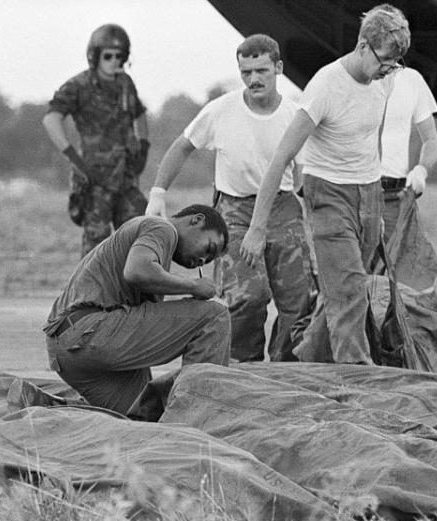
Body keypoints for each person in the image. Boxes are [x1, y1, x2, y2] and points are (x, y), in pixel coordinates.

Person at [241, 4, 409, 365]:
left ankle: (307, 360)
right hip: (329, 193)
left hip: (368, 194)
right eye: (384, 60)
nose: (388, 70)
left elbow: (372, 141)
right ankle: (357, 381)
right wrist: (256, 227)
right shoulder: (325, 86)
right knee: (349, 293)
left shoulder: (384, 80)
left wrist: (375, 206)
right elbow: (281, 158)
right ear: (363, 46)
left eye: (395, 64)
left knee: (346, 289)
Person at [145, 34, 315, 362]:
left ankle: (286, 370)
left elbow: (306, 174)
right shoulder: (221, 111)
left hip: (283, 209)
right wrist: (158, 193)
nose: (254, 79)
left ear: (278, 68)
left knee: (299, 301)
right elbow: (183, 145)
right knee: (247, 298)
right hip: (235, 211)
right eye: (246, 72)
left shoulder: (294, 116)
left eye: (262, 70)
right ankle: (242, 368)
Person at [44, 205, 231, 415]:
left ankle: (44, 408)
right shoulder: (162, 228)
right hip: (90, 331)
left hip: (66, 351)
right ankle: (198, 417)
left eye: (208, 260)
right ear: (196, 220)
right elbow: (136, 271)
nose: (203, 260)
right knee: (214, 315)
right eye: (209, 249)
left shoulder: (153, 245)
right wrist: (193, 286)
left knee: (145, 415)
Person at [43, 24, 150, 258]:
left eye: (120, 56)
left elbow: (139, 114)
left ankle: (137, 292)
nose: (114, 61)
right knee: (96, 246)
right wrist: (74, 158)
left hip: (126, 176)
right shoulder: (78, 85)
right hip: (95, 177)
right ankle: (91, 293)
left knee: (139, 237)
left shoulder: (125, 84)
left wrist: (143, 148)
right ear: (95, 56)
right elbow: (51, 119)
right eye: (108, 56)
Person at [374, 59, 437, 291]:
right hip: (357, 194)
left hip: (396, 198)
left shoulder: (412, 80)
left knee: (404, 283)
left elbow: (431, 141)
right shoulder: (351, 76)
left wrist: (422, 169)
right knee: (354, 280)